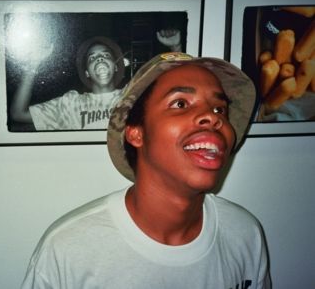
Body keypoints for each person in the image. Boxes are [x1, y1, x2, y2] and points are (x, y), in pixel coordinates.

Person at [21, 52, 271, 288]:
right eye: (181, 103)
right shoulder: (69, 249)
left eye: (220, 109)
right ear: (136, 134)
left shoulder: (245, 234)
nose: (213, 117)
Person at [10, 31, 181, 130]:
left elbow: (179, 90)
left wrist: (176, 48)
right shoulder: (69, 104)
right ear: (87, 72)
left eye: (105, 55)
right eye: (93, 58)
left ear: (115, 67)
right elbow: (18, 113)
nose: (99, 59)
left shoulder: (134, 94)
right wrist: (32, 65)